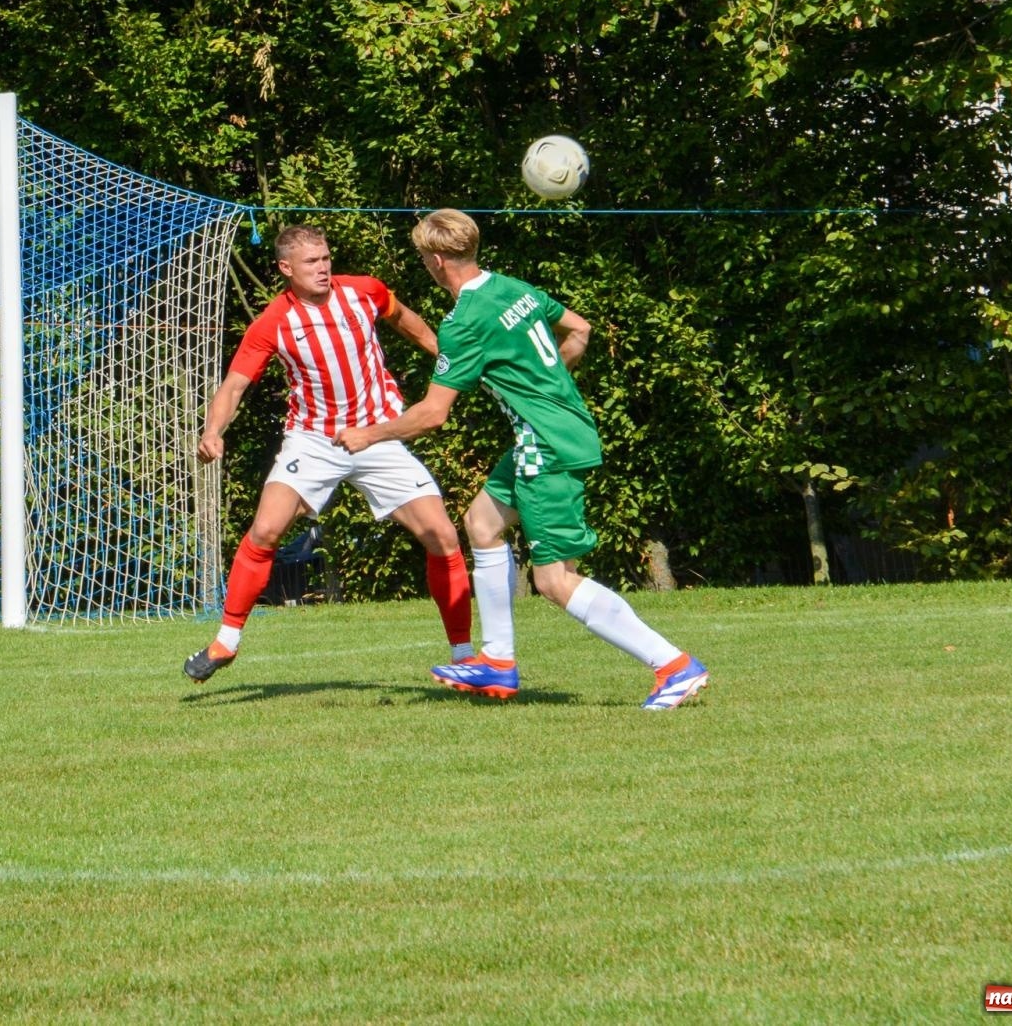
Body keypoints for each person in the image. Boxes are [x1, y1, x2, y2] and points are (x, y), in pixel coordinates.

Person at [334, 209, 709, 709]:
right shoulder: (513, 288)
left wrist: (369, 434)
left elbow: (433, 414)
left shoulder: (464, 321)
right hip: (553, 433)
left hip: (546, 447)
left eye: (423, 258)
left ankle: (673, 665)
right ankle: (497, 661)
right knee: (481, 523)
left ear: (436, 260)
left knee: (554, 580)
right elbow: (579, 330)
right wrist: (548, 388)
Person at [183, 224, 473, 682]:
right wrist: (213, 430)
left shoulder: (364, 291)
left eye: (325, 258)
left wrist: (447, 356)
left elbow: (405, 319)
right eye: (311, 262)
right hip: (314, 441)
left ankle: (464, 657)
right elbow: (234, 385)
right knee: (266, 529)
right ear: (286, 268)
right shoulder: (274, 321)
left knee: (443, 536)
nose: (322, 268)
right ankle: (226, 641)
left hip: (377, 434)